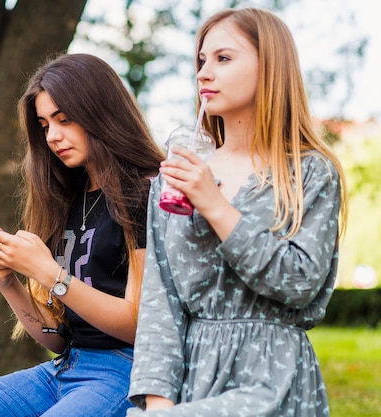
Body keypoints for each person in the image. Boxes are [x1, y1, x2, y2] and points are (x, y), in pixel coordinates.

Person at [0, 53, 165, 417]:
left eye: (64, 120)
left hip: (125, 372)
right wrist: (8, 280)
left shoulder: (147, 193)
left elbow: (137, 326)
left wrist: (49, 272)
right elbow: (56, 340)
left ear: (100, 111)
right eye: (44, 125)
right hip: (64, 369)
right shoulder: (66, 197)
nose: (53, 136)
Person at [127, 8, 347, 417]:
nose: (203, 74)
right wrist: (156, 406)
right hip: (191, 377)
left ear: (271, 68)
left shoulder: (310, 173)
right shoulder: (177, 173)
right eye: (201, 61)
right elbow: (162, 301)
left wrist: (214, 204)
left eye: (223, 59)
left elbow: (299, 283)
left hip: (271, 377)